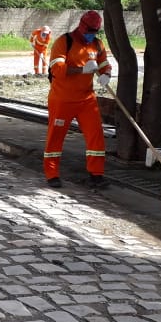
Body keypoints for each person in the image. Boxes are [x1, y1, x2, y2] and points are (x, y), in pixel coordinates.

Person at [44, 11, 112, 189]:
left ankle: (96, 175)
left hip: (86, 100)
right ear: (82, 26)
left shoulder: (97, 44)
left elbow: (104, 64)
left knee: (96, 136)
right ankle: (52, 174)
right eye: (90, 30)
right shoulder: (64, 42)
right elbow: (57, 69)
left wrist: (107, 74)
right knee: (55, 137)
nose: (92, 34)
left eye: (95, 31)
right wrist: (82, 70)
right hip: (62, 100)